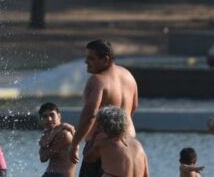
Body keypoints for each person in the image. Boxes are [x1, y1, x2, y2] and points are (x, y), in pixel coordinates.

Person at [69, 39, 138, 177]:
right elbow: (134, 108)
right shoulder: (129, 76)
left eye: (91, 58)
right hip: (129, 144)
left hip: (101, 147)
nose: (86, 62)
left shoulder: (98, 80)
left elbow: (90, 115)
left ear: (105, 60)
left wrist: (75, 143)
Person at [83, 106, 149, 177]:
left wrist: (94, 135)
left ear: (103, 125)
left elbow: (87, 157)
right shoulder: (137, 144)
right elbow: (146, 174)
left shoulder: (105, 144)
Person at [38, 102, 76, 177]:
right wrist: (54, 131)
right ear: (41, 119)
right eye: (45, 116)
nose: (49, 119)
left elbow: (43, 157)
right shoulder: (48, 134)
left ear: (59, 116)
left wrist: (55, 131)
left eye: (52, 115)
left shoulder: (64, 134)